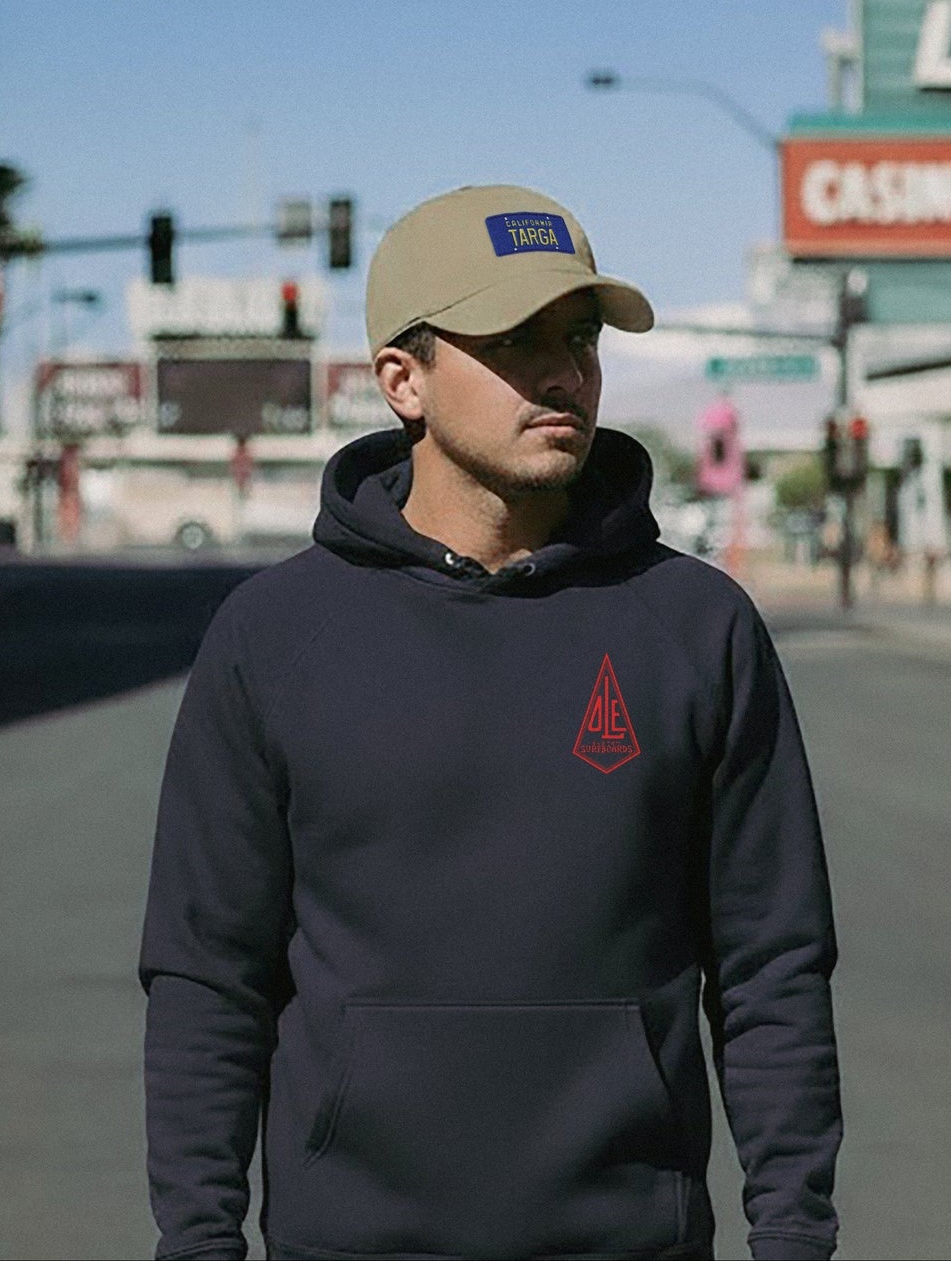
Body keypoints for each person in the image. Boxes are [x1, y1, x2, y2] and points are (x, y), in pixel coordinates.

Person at [138, 184, 842, 1261]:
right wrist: (197, 1239)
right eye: (514, 341)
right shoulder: (273, 635)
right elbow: (207, 974)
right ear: (402, 379)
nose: (563, 373)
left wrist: (791, 1234)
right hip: (350, 1240)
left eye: (579, 337)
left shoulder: (697, 625)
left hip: (629, 1239)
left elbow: (770, 965)